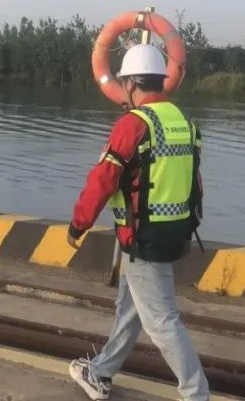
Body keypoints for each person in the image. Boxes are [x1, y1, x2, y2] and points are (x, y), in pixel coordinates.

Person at [66, 44, 209, 401]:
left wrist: (79, 224)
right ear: (160, 80)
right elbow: (196, 182)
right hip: (175, 232)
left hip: (142, 237)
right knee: (130, 308)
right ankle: (100, 371)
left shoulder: (134, 124)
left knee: (162, 321)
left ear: (130, 83)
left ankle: (196, 394)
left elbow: (103, 179)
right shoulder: (184, 121)